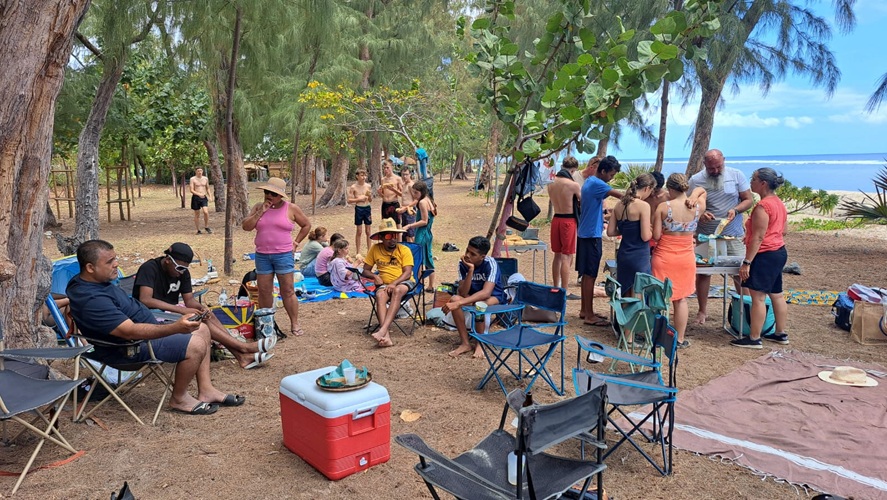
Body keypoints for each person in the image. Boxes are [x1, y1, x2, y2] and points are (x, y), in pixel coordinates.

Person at [67, 240, 244, 415]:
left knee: (202, 328)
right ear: (90, 268)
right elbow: (128, 331)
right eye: (109, 262)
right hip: (127, 350)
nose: (116, 264)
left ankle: (206, 390)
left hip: (143, 335)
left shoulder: (92, 281)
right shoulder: (92, 299)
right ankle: (179, 398)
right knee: (195, 345)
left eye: (115, 258)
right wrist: (175, 327)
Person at [133, 242, 274, 370]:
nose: (181, 272)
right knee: (200, 322)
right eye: (180, 268)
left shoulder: (183, 272)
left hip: (169, 313)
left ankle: (242, 356)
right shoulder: (150, 268)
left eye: (185, 268)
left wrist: (202, 308)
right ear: (168, 260)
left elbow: (189, 300)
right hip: (150, 317)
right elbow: (146, 300)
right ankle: (242, 348)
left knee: (206, 315)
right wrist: (181, 310)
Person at [686, 149, 753, 325]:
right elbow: (689, 205)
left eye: (718, 167)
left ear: (724, 160)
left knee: (740, 273)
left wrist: (736, 209)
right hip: (706, 234)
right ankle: (702, 311)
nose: (715, 171)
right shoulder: (696, 180)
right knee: (704, 273)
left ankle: (745, 310)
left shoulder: (736, 175)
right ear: (704, 165)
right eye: (711, 168)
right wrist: (701, 213)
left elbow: (748, 199)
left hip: (733, 233)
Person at [241, 177, 311, 337]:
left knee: (287, 290)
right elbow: (246, 226)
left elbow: (306, 225)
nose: (269, 196)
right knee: (264, 291)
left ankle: (295, 323)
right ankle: (267, 324)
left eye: (273, 193)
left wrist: (296, 243)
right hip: (262, 255)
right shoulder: (258, 207)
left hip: (284, 255)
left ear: (280, 196)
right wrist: (261, 211)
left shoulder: (291, 208)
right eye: (267, 192)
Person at [731, 168, 789, 349]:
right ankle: (780, 333)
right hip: (778, 251)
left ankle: (754, 337)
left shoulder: (763, 206)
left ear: (763, 183)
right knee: (777, 294)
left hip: (765, 254)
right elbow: (783, 230)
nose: (750, 182)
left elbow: (758, 237)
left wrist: (747, 262)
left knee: (758, 297)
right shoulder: (778, 203)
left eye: (753, 179)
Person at [652, 174, 706, 348]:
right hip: (686, 257)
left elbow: (656, 236)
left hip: (664, 255)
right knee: (681, 299)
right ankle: (680, 338)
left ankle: (659, 336)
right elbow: (703, 191)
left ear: (670, 189)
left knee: (661, 298)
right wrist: (694, 195)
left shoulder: (663, 207)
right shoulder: (697, 206)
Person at [577, 155, 623, 326]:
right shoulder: (597, 183)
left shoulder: (589, 181)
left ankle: (585, 310)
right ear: (603, 171)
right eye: (611, 175)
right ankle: (589, 315)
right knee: (590, 275)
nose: (611, 178)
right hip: (591, 236)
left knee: (587, 275)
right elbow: (622, 197)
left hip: (585, 233)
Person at [442, 236, 506, 359]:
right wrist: (470, 270)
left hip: (494, 296)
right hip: (471, 296)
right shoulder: (463, 263)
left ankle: (480, 343)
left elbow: (486, 293)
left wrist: (460, 303)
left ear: (482, 257)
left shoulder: (490, 263)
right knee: (455, 298)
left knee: (479, 304)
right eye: (467, 250)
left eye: (473, 254)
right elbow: (462, 291)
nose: (467, 255)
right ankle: (465, 343)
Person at [358, 218, 414, 347]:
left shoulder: (404, 250)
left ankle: (382, 330)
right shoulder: (375, 249)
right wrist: (374, 276)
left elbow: (407, 273)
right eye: (388, 235)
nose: (392, 239)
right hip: (384, 284)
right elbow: (365, 270)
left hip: (403, 282)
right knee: (380, 295)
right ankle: (386, 336)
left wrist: (394, 283)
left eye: (394, 235)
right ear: (382, 238)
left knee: (397, 290)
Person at [607, 173, 654, 296]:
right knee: (640, 291)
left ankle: (622, 315)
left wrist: (626, 231)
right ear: (647, 188)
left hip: (624, 254)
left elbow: (610, 231)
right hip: (639, 255)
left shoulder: (619, 205)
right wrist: (652, 231)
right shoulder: (643, 206)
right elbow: (645, 236)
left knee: (624, 290)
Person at [547, 156, 581, 291]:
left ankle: (556, 286)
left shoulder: (551, 182)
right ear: (573, 170)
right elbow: (582, 202)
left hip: (556, 219)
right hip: (568, 220)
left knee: (557, 255)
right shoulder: (573, 185)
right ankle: (564, 290)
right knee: (566, 256)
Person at [403, 180, 436, 291]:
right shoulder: (428, 200)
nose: (414, 195)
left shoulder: (422, 202)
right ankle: (430, 285)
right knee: (428, 258)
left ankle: (419, 285)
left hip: (422, 234)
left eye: (416, 192)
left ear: (422, 192)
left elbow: (424, 221)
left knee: (419, 260)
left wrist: (409, 226)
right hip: (428, 234)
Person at [347, 169, 373, 255]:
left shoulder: (368, 186)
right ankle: (358, 252)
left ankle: (369, 251)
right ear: (357, 176)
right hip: (359, 209)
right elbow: (349, 200)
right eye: (361, 175)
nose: (363, 177)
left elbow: (371, 199)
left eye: (364, 175)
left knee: (368, 231)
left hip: (367, 208)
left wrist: (369, 197)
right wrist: (359, 199)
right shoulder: (353, 187)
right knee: (359, 231)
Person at [378, 160, 404, 230]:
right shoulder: (383, 179)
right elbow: (383, 195)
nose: (386, 170)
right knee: (386, 224)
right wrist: (380, 193)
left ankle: (398, 240)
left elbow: (402, 194)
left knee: (397, 224)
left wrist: (393, 190)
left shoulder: (398, 179)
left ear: (392, 167)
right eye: (384, 168)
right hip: (385, 204)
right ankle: (388, 240)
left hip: (394, 204)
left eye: (387, 167)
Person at [189, 168, 212, 235]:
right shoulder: (192, 179)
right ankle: (198, 229)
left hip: (204, 197)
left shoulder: (205, 178)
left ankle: (206, 226)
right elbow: (191, 190)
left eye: (201, 171)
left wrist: (210, 196)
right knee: (197, 214)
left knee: (206, 212)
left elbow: (207, 188)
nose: (200, 172)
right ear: (196, 171)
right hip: (196, 197)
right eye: (198, 171)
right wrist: (199, 194)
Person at [397, 169, 417, 242]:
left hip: (410, 211)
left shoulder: (411, 185)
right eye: (403, 175)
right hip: (403, 211)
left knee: (411, 233)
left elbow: (416, 200)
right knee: (405, 232)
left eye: (406, 174)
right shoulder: (404, 184)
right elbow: (403, 196)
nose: (405, 176)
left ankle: (413, 250)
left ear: (410, 175)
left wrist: (406, 208)